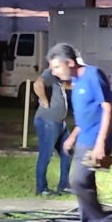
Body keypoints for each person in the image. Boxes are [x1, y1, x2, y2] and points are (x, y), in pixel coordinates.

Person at [48, 43, 112, 222]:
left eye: (56, 68)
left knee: (77, 181)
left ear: (69, 62)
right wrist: (72, 136)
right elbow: (86, 115)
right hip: (84, 138)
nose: (54, 72)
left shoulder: (94, 75)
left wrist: (101, 144)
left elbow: (107, 108)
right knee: (84, 185)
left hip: (95, 140)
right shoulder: (76, 82)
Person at [32, 67, 72, 195]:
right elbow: (37, 84)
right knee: (46, 155)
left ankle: (64, 185)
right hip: (47, 122)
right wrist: (44, 101)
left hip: (60, 123)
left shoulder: (58, 79)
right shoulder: (50, 73)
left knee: (67, 151)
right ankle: (41, 188)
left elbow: (67, 85)